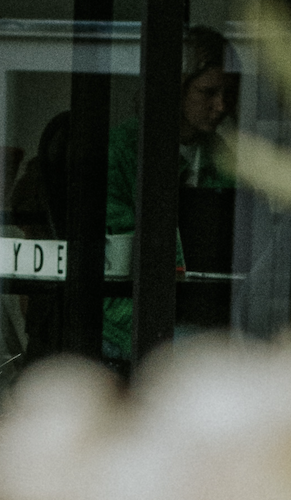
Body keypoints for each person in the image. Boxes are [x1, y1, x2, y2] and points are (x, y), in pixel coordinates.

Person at [103, 25, 240, 359]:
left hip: (203, 314)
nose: (221, 105)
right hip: (126, 317)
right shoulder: (122, 152)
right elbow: (113, 262)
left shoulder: (222, 155)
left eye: (228, 93)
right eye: (208, 92)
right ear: (177, 90)